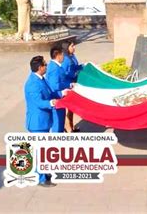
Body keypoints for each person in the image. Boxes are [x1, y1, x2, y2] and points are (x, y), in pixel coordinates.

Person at [24, 55, 59, 187]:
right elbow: (39, 102)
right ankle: (41, 178)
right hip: (37, 123)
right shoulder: (32, 84)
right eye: (45, 64)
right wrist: (51, 102)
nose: (47, 66)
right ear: (40, 68)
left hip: (44, 121)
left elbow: (50, 92)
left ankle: (43, 172)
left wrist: (62, 93)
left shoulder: (41, 79)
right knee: (39, 150)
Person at [46, 46, 70, 133]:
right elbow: (54, 85)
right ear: (58, 55)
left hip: (59, 100)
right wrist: (62, 92)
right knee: (57, 125)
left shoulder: (55, 66)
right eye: (62, 55)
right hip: (56, 100)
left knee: (60, 123)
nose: (63, 57)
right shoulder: (54, 68)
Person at [61, 40, 83, 132]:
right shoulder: (65, 59)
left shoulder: (72, 56)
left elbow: (75, 66)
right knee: (68, 107)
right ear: (67, 48)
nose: (74, 48)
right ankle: (68, 128)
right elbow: (64, 73)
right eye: (72, 46)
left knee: (72, 108)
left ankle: (71, 125)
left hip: (73, 83)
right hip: (68, 85)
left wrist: (82, 66)